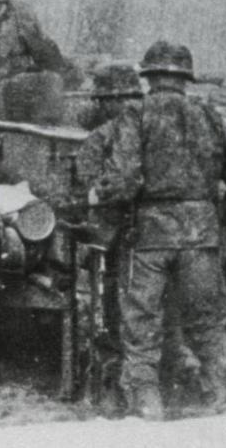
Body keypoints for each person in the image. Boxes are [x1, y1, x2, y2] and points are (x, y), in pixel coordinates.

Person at [88, 40, 226, 420]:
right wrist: (222, 218)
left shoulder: (136, 114)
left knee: (141, 323)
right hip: (201, 235)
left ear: (149, 77)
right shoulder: (212, 117)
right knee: (207, 324)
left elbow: (122, 180)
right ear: (186, 78)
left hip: (148, 236)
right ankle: (224, 398)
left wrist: (103, 204)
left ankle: (147, 404)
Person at [75, 63, 144, 416]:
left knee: (110, 315)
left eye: (102, 100)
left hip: (119, 241)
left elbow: (90, 186)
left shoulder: (103, 135)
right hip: (166, 240)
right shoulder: (165, 127)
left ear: (110, 100)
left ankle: (111, 394)